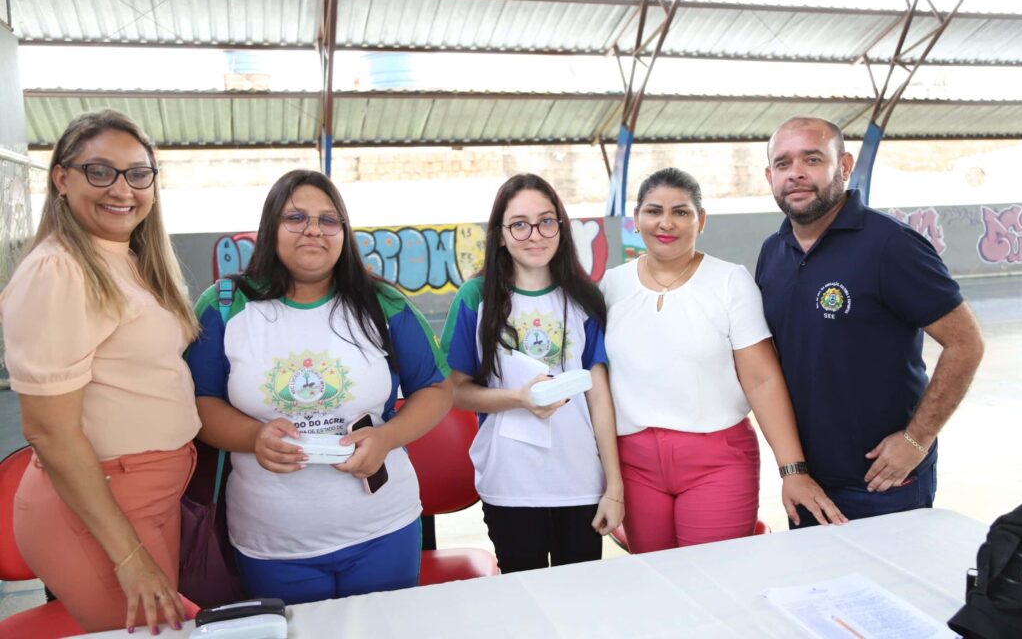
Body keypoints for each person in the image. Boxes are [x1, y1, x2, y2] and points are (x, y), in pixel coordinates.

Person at [183, 170, 451, 604]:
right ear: (271, 227)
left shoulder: (383, 304)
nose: (313, 229)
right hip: (272, 544)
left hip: (384, 529)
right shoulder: (224, 306)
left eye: (329, 220)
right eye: (296, 217)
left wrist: (386, 438)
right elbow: (200, 403)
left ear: (344, 232)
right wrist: (254, 437)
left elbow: (436, 390)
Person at [0, 110, 199, 633]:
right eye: (100, 171)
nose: (122, 188)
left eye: (138, 173)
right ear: (61, 179)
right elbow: (48, 430)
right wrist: (129, 557)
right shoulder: (58, 270)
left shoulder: (124, 258)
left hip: (146, 497)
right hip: (101, 510)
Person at [600, 167, 845, 554]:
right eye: (653, 211)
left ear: (702, 220)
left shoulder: (730, 282)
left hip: (717, 462)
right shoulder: (612, 285)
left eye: (681, 212)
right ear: (635, 219)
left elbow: (762, 379)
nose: (666, 223)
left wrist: (793, 470)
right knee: (657, 579)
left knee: (714, 581)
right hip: (636, 466)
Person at [756, 117, 985, 527]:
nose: (797, 174)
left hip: (883, 482)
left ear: (843, 166)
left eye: (812, 159)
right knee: (816, 589)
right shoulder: (773, 252)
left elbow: (965, 343)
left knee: (893, 590)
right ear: (770, 176)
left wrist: (917, 440)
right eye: (784, 163)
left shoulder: (891, 245)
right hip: (808, 483)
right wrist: (793, 469)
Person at [440, 173, 624, 573]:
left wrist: (614, 485)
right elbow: (454, 390)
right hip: (511, 483)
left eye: (546, 221)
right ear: (501, 234)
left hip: (579, 480)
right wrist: (518, 398)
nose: (534, 234)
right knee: (525, 601)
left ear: (560, 227)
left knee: (580, 597)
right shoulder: (476, 298)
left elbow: (599, 395)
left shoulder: (584, 298)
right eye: (519, 224)